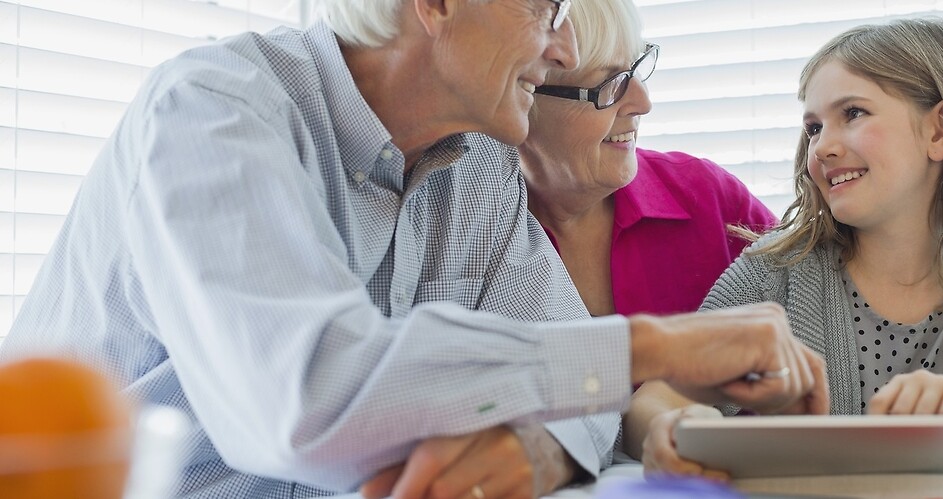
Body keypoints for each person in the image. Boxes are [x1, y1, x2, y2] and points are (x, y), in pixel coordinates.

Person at [0, 0, 828, 497]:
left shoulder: (481, 169)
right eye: (543, 4)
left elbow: (584, 396)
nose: (562, 47)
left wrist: (529, 448)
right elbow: (309, 399)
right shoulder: (215, 110)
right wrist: (655, 342)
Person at [644, 17, 943, 476]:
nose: (822, 147)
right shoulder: (775, 274)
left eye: (853, 113)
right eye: (813, 128)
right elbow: (655, 400)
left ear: (941, 131)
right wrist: (678, 427)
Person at [516, 0, 788, 475]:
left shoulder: (707, 196)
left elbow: (826, 304)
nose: (642, 101)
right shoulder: (473, 234)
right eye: (610, 83)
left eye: (638, 69)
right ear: (524, 99)